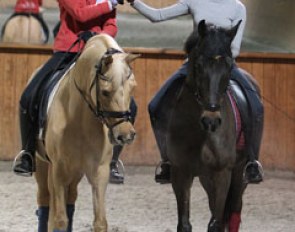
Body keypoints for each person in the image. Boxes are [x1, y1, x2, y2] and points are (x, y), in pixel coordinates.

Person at [126, 0, 264, 184]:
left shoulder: (237, 8)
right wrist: (134, 2)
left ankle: (252, 161)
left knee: (256, 106)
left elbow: (235, 48)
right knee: (155, 105)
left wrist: (217, 62)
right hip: (195, 66)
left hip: (221, 67)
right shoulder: (195, 1)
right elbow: (157, 16)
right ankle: (167, 161)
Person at [12, 0, 134, 184]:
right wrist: (110, 3)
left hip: (98, 53)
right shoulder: (108, 2)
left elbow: (111, 24)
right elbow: (80, 14)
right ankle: (27, 152)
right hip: (68, 50)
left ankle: (112, 162)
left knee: (130, 104)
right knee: (29, 96)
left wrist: (97, 37)